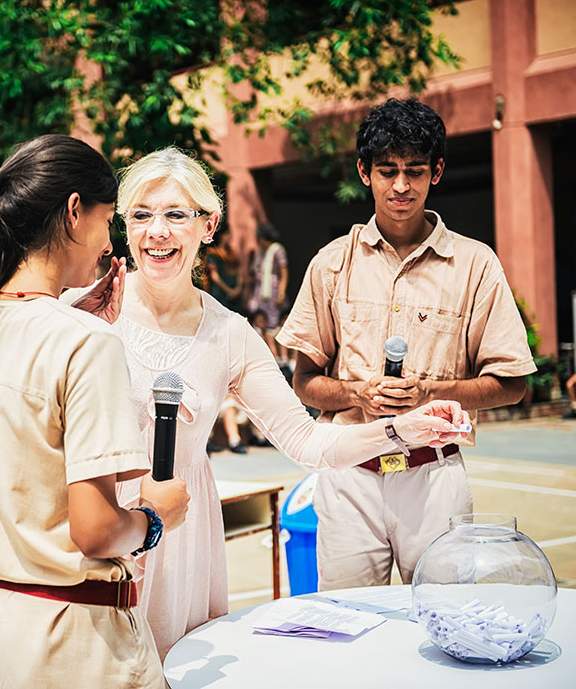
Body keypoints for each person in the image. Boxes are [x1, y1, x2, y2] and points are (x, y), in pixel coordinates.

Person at [94, 146, 469, 658]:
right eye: (141, 215)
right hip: (96, 523)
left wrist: (404, 429)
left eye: (176, 215)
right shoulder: (86, 309)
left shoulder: (229, 334)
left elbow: (307, 440)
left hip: (182, 534)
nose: (156, 231)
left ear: (209, 226)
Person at [0, 134, 189, 688]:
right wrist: (156, 518)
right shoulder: (85, 343)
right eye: (109, 219)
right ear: (74, 212)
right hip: (68, 643)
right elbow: (95, 531)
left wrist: (73, 314)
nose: (108, 242)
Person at [277, 98, 536, 592]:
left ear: (436, 171)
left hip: (434, 477)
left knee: (444, 621)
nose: (401, 186)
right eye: (387, 170)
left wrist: (429, 396)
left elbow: (513, 384)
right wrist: (357, 394)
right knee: (349, 620)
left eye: (415, 170)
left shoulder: (475, 265)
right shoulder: (332, 264)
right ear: (364, 172)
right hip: (350, 477)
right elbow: (304, 383)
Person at [246, 222, 288, 332]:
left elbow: (284, 273)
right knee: (258, 317)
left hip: (272, 290)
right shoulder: (260, 251)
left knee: (272, 321)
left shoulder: (277, 250)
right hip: (260, 289)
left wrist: (281, 292)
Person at [205, 231, 244, 313]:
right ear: (220, 236)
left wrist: (238, 288)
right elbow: (214, 276)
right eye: (226, 233)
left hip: (234, 293)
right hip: (220, 292)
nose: (229, 236)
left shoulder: (232, 253)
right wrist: (230, 291)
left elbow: (238, 270)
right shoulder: (213, 253)